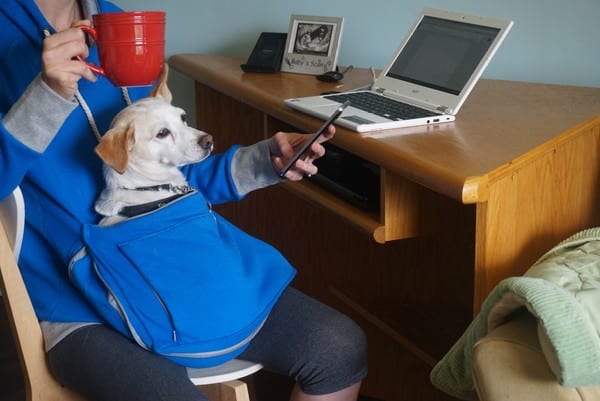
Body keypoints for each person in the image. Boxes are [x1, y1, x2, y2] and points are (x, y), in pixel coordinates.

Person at [0, 1, 368, 401]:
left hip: (175, 262)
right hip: (74, 298)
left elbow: (169, 173)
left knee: (338, 348)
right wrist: (46, 95)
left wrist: (263, 162)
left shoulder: (121, 23)